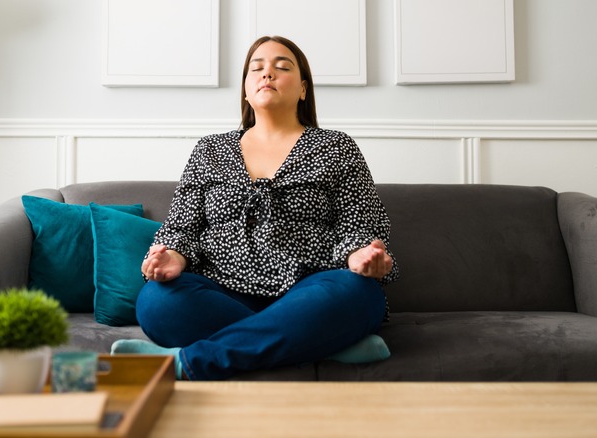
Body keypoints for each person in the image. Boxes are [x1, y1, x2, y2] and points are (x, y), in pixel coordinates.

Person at [112, 36, 399, 380]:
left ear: (304, 89)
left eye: (282, 67)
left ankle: (188, 362)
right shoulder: (209, 150)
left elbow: (359, 223)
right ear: (246, 90)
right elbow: (180, 226)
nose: (268, 74)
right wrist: (173, 254)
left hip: (311, 293)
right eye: (257, 69)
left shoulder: (336, 147)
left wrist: (358, 256)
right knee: (156, 302)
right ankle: (325, 343)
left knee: (359, 293)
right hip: (220, 290)